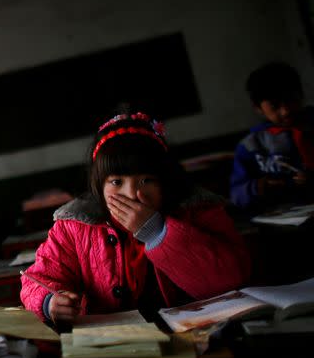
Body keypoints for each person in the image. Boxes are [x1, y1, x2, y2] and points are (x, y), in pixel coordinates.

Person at [20, 109, 251, 327]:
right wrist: (49, 302)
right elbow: (37, 278)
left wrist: (156, 231)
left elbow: (230, 279)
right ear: (99, 187)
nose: (132, 194)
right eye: (116, 182)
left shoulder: (198, 211)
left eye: (146, 181)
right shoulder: (74, 226)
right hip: (112, 344)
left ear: (165, 180)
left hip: (194, 334)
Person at [230, 61, 314, 212]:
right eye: (275, 106)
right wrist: (258, 187)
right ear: (258, 108)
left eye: (290, 99)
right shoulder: (251, 145)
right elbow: (237, 196)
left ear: (301, 93)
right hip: (286, 221)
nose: (285, 111)